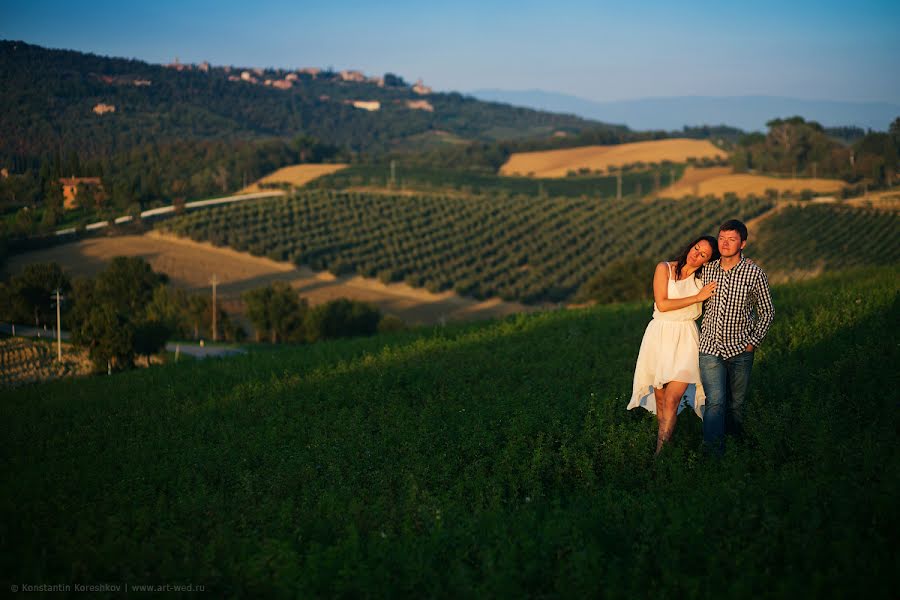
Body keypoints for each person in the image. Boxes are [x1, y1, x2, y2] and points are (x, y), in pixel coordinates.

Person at [628, 235, 719, 455]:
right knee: (660, 401)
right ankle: (666, 445)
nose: (696, 254)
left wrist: (747, 263)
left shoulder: (704, 279)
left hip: (686, 338)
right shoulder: (665, 269)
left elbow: (732, 271)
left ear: (708, 261)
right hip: (659, 336)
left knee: (671, 400)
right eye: (696, 248)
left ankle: (660, 456)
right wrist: (697, 298)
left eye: (703, 255)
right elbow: (662, 303)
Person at [698, 219, 774, 455]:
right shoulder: (708, 269)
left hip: (741, 349)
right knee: (715, 403)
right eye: (721, 238)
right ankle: (713, 457)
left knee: (736, 406)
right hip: (710, 348)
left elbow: (767, 311)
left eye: (731, 239)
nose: (725, 243)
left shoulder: (754, 273)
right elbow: (684, 270)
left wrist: (752, 343)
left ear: (743, 244)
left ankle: (734, 451)